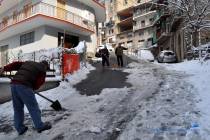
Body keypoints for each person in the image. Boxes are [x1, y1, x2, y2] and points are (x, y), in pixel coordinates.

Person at [0, 60, 52, 135]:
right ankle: (40, 126)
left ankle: (20, 128)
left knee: (18, 108)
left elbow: (15, 64)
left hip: (14, 84)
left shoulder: (28, 62)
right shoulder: (42, 70)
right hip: (24, 85)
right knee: (33, 107)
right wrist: (32, 88)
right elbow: (39, 83)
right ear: (46, 66)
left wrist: (4, 68)